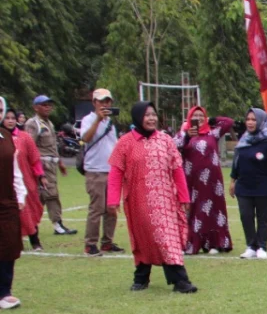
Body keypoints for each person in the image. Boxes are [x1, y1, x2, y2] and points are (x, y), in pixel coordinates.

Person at [105, 102, 197, 293]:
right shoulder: (126, 142)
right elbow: (116, 172)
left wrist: (184, 197)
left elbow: (177, 170)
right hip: (139, 201)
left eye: (154, 114)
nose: (151, 118)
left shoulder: (166, 140)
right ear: (138, 117)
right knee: (144, 238)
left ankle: (180, 281)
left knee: (166, 237)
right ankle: (141, 278)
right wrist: (112, 200)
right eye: (147, 115)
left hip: (166, 201)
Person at [178, 106, 233, 255]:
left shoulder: (213, 132)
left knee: (214, 209)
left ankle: (214, 243)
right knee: (194, 209)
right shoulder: (184, 134)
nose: (198, 118)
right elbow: (175, 146)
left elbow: (228, 122)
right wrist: (188, 135)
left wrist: (212, 119)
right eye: (195, 116)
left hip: (213, 181)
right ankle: (192, 243)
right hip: (192, 180)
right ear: (189, 118)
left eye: (201, 115)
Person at [230, 108, 267, 259]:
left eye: (254, 119)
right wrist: (233, 180)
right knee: (245, 216)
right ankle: (251, 246)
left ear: (261, 121)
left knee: (263, 217)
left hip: (263, 187)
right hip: (244, 186)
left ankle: (262, 246)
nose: (250, 122)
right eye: (248, 119)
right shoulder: (244, 140)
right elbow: (236, 161)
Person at [76, 89, 122, 255]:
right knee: (96, 209)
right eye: (102, 101)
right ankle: (90, 244)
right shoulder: (88, 120)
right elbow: (85, 138)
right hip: (95, 171)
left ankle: (107, 242)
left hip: (111, 171)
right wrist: (98, 119)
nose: (105, 104)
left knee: (111, 208)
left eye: (108, 101)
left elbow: (114, 146)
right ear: (94, 102)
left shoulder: (110, 124)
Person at [25, 95, 74, 237]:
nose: (48, 107)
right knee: (48, 195)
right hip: (41, 164)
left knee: (46, 196)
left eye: (49, 105)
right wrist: (37, 171)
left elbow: (52, 146)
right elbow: (30, 147)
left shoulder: (49, 123)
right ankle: (51, 224)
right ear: (36, 107)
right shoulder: (33, 124)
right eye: (44, 104)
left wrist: (59, 162)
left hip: (51, 165)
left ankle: (41, 223)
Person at [0, 97, 28, 309]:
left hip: (7, 200)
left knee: (9, 243)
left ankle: (4, 292)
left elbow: (15, 170)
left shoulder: (7, 137)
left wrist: (20, 195)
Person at [4, 109, 43, 250]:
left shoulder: (24, 137)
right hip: (5, 183)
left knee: (29, 211)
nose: (10, 120)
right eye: (7, 117)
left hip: (25, 181)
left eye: (12, 118)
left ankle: (35, 241)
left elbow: (35, 159)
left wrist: (41, 176)